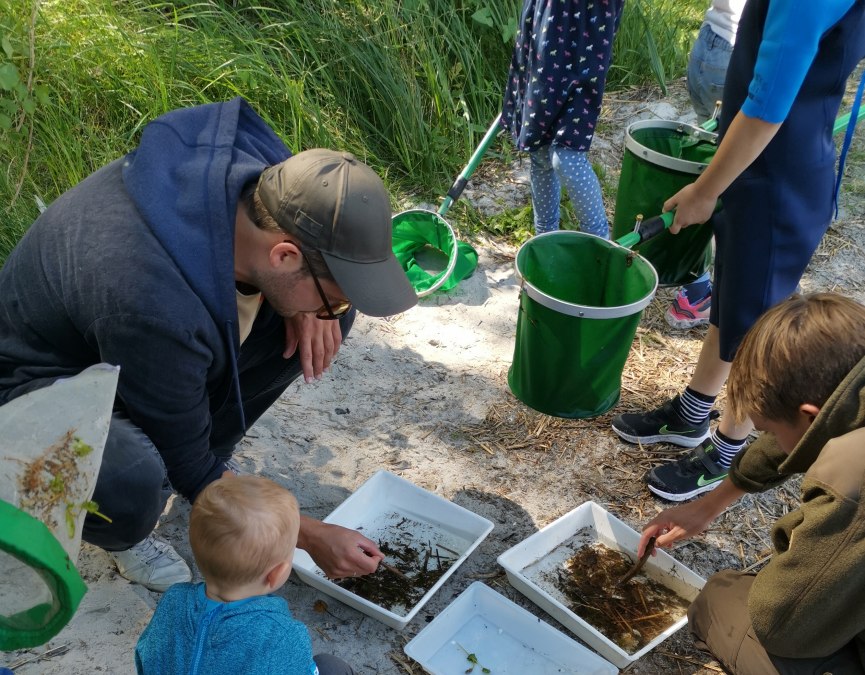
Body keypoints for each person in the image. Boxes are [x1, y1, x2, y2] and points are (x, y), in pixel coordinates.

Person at [0, 97, 417, 591]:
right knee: (133, 480)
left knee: (316, 322)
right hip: (34, 392)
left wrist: (316, 308)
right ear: (284, 255)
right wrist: (307, 535)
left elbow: (309, 271)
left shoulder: (259, 177)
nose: (335, 309)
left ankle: (216, 468)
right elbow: (187, 457)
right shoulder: (152, 301)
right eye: (334, 299)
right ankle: (127, 537)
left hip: (134, 349)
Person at [612, 0, 865, 501]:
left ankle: (730, 445)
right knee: (728, 305)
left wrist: (705, 191)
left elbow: (768, 106)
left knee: (754, 331)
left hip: (778, 184)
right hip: (752, 171)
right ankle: (692, 413)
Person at [637, 292, 865, 674]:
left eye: (767, 428)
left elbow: (782, 626)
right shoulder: (850, 387)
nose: (766, 437)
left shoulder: (852, 479)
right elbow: (808, 432)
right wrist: (708, 505)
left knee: (718, 600)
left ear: (808, 416)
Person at [135, 475, 355, 675]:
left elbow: (143, 657)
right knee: (331, 666)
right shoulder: (282, 635)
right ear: (276, 574)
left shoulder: (173, 601)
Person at [500, 0, 626, 238]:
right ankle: (546, 240)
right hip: (546, 30)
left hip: (588, 33)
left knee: (567, 157)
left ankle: (601, 244)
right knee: (540, 152)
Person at [665, 0, 746, 330]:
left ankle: (698, 282)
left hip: (710, 44)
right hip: (741, 53)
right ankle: (705, 291)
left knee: (712, 166)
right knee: (731, 179)